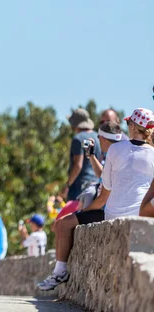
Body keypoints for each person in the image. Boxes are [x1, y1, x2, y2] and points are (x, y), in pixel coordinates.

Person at [38, 109, 154, 291]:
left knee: (63, 224)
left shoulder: (116, 149)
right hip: (141, 217)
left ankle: (60, 271)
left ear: (132, 126)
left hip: (111, 216)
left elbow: (105, 194)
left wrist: (83, 212)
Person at [66, 108, 102, 201]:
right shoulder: (98, 137)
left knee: (76, 215)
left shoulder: (78, 139)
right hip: (96, 184)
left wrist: (67, 185)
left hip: (80, 186)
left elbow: (78, 165)